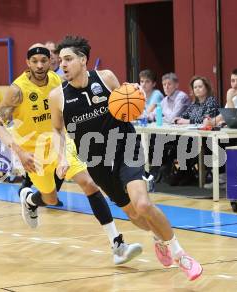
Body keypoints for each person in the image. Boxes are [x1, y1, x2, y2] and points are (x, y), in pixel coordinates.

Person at [50, 36, 202, 280]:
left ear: (83, 60)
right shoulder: (57, 96)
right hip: (96, 161)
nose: (63, 65)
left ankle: (180, 254)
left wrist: (136, 98)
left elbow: (127, 105)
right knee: (134, 215)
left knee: (143, 204)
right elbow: (57, 130)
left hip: (124, 147)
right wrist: (61, 158)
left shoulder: (106, 78)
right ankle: (158, 237)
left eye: (68, 59)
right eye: (60, 61)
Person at [0, 43, 142, 265]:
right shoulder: (17, 90)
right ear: (27, 63)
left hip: (60, 144)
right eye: (35, 61)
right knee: (51, 199)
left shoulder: (58, 81)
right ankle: (31, 200)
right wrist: (20, 152)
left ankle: (117, 245)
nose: (40, 65)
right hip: (34, 152)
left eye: (44, 60)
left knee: (89, 183)